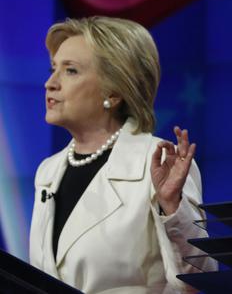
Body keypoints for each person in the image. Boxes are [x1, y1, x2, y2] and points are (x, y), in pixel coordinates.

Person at [29, 16, 216, 293]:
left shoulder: (158, 161)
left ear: (113, 92)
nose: (50, 83)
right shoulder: (48, 171)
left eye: (70, 71)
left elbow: (201, 281)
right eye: (52, 68)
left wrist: (173, 208)